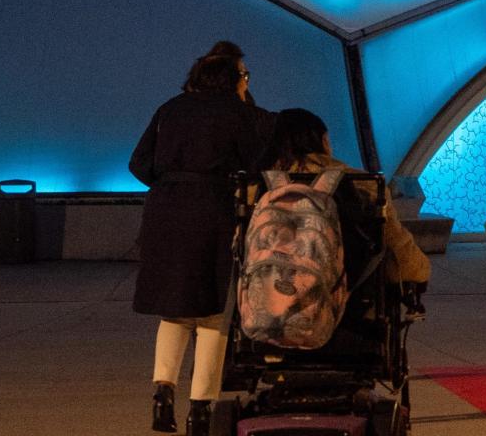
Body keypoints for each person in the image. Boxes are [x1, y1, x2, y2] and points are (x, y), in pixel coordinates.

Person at [129, 43, 275, 435]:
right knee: (214, 314)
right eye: (244, 76)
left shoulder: (169, 109)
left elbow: (138, 163)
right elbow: (259, 161)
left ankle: (162, 393)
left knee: (174, 310)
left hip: (164, 213)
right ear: (232, 79)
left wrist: (169, 184)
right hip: (213, 213)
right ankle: (200, 410)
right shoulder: (238, 114)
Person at [264, 107, 431, 286]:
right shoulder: (363, 182)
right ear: (324, 141)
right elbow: (395, 245)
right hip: (346, 294)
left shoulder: (258, 185)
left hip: (269, 292)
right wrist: (420, 269)